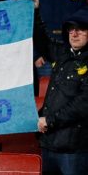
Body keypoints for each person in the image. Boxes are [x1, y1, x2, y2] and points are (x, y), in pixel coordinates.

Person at [37, 9, 88, 174]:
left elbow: (82, 104)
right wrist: (36, 11)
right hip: (49, 142)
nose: (74, 34)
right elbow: (42, 41)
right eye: (71, 29)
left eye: (80, 29)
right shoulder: (63, 54)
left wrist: (50, 120)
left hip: (74, 149)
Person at [33, 0, 87, 75]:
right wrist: (35, 55)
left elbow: (85, 28)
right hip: (44, 59)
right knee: (47, 92)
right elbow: (26, 30)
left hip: (74, 56)